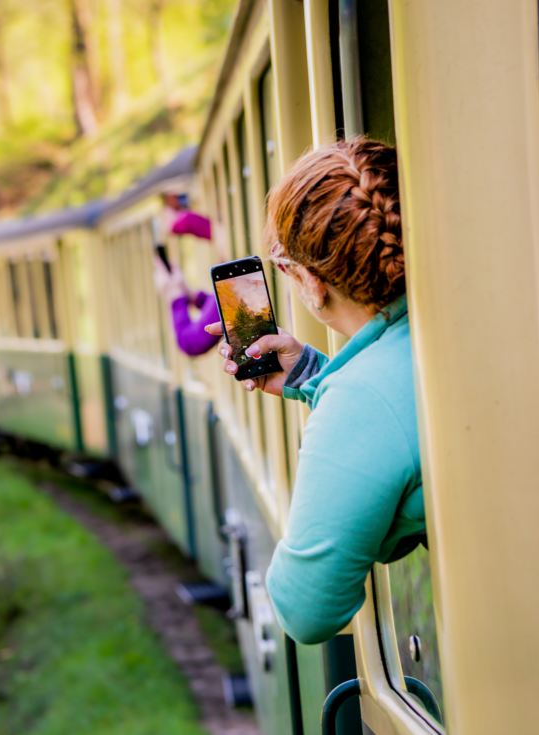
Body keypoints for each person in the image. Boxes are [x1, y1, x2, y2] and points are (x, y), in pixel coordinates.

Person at [205, 137, 425, 645]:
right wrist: (311, 375)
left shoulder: (361, 402)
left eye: (283, 265)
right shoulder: (436, 332)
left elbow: (305, 611)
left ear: (311, 282)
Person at [153, 202, 222, 357]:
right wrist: (191, 295)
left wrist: (175, 295)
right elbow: (218, 307)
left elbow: (191, 342)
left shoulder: (241, 275)